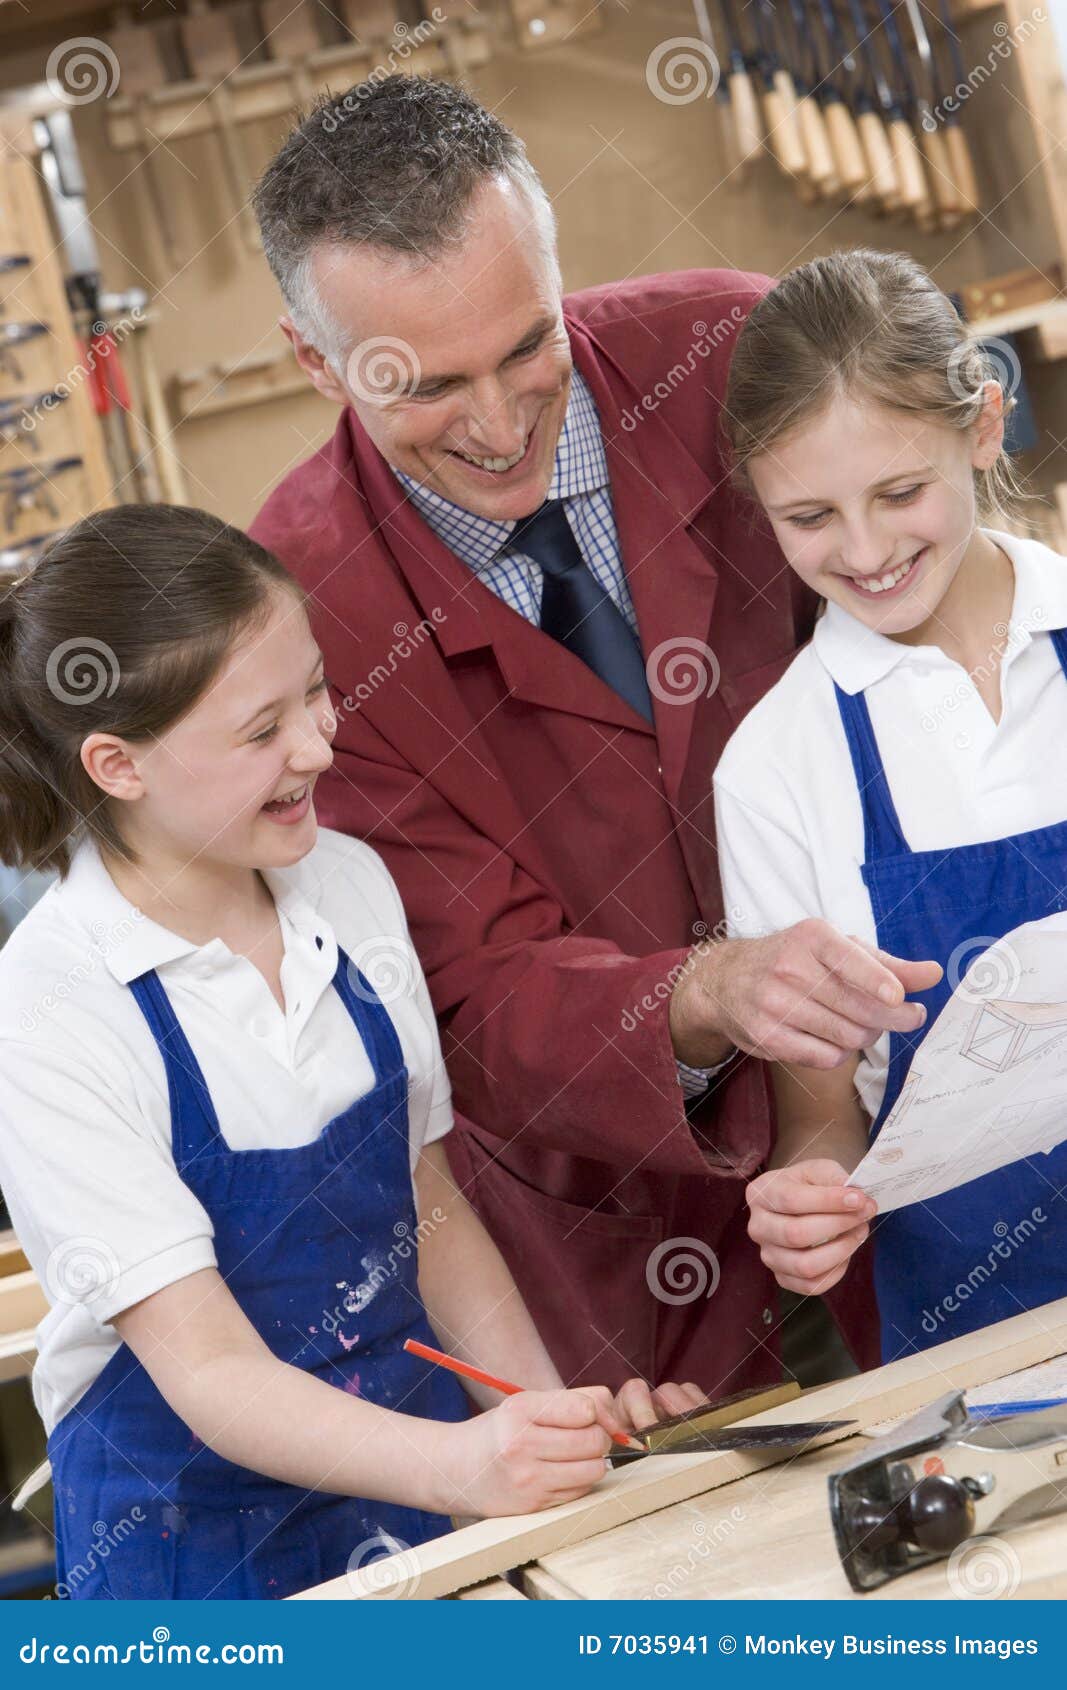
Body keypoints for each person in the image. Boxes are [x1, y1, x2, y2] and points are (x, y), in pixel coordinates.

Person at [250, 75, 929, 1391]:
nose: (502, 426)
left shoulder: (738, 358)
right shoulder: (295, 611)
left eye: (525, 346)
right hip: (614, 1245)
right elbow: (474, 991)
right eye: (428, 386)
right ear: (311, 363)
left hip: (914, 1127)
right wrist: (705, 989)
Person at [0, 505, 703, 1601]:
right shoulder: (52, 1003)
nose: (319, 744)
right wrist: (463, 1464)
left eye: (316, 690)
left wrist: (551, 1431)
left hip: (415, 1500)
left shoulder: (346, 881)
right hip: (189, 1552)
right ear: (116, 764)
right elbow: (211, 1369)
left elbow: (431, 1213)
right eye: (260, 729)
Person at [713, 247, 1067, 1361]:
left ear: (981, 426)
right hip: (988, 1348)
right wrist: (804, 1201)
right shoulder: (774, 767)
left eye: (899, 492)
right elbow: (821, 1119)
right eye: (808, 516)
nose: (863, 552)